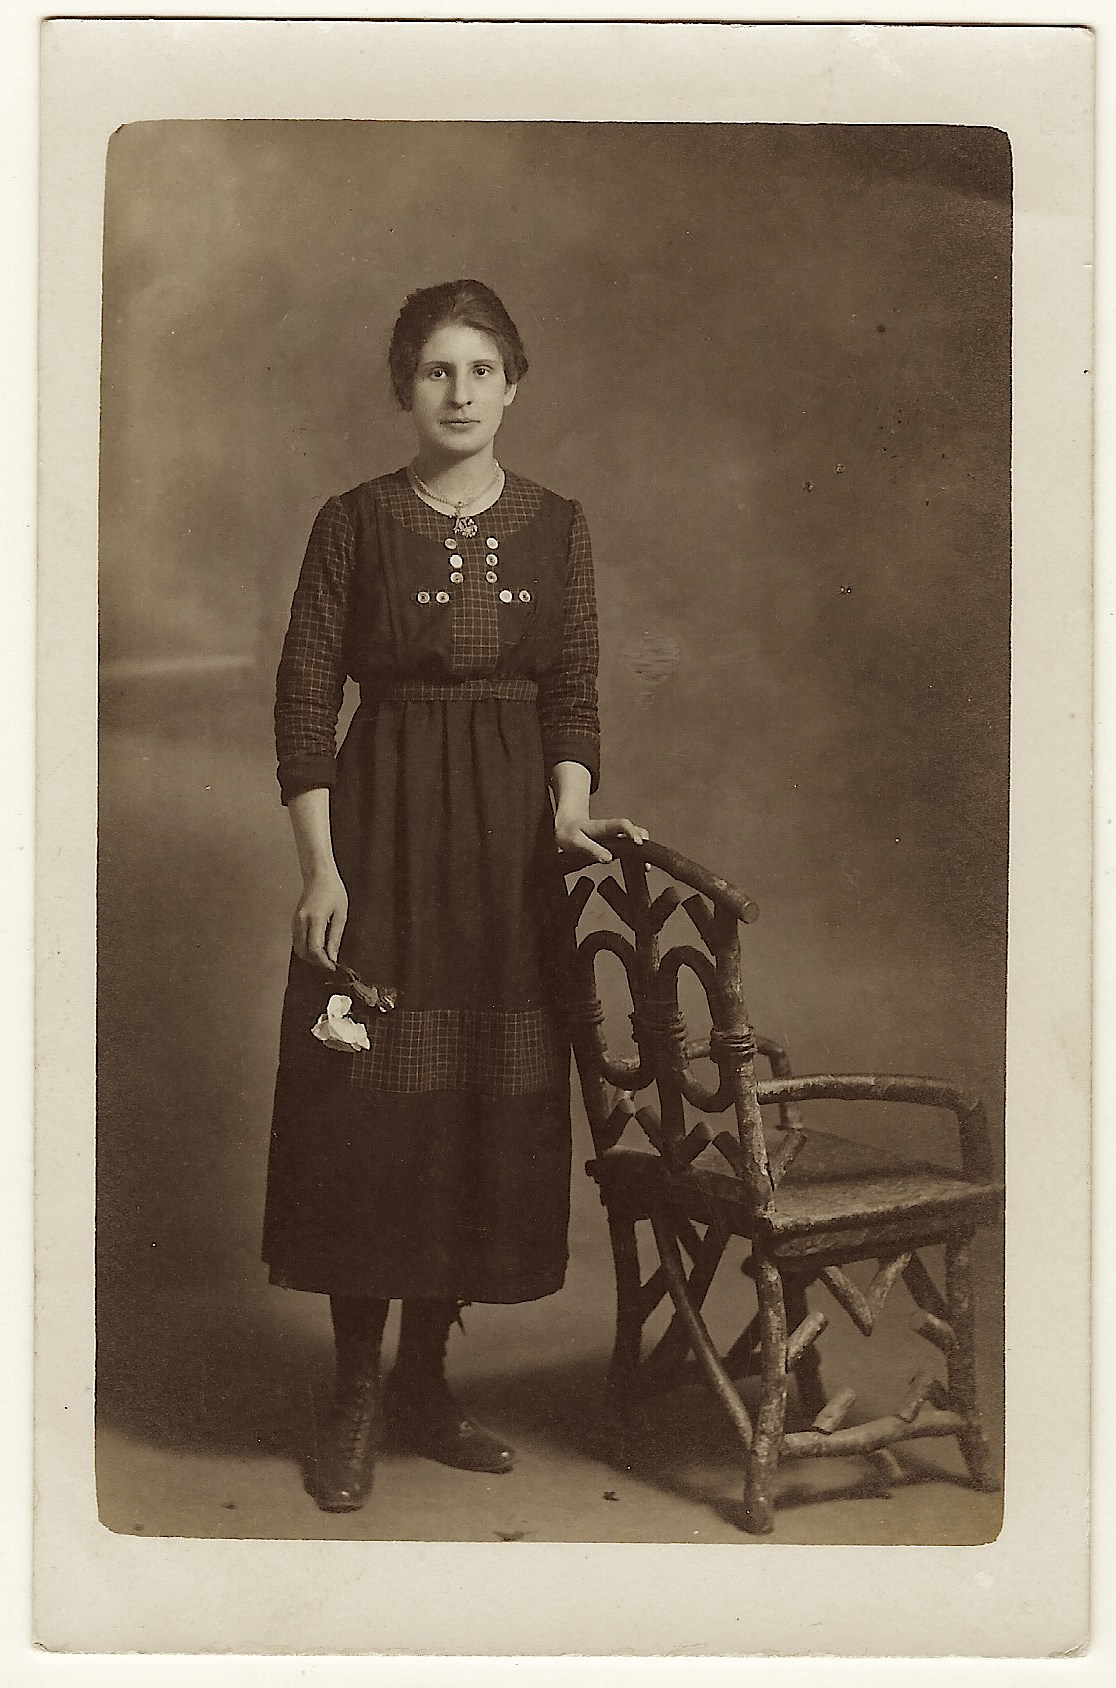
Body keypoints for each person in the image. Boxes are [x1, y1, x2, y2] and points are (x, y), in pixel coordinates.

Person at [263, 279, 647, 1512]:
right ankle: (355, 1394)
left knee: (475, 1100)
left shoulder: (559, 524)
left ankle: (426, 1381)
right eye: (438, 370)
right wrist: (321, 865)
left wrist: (568, 812)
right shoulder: (353, 522)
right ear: (404, 387)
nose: (461, 392)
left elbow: (574, 688)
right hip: (381, 831)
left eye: (483, 369)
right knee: (365, 1105)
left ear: (514, 385)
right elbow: (305, 696)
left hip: (506, 850)